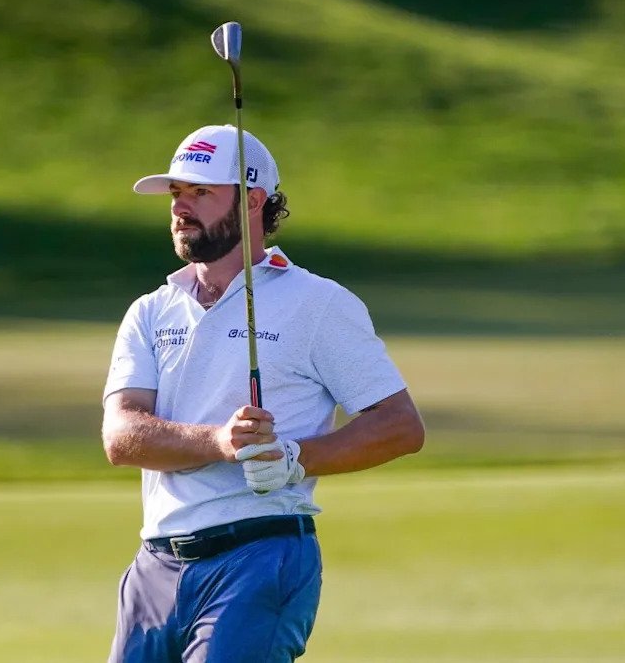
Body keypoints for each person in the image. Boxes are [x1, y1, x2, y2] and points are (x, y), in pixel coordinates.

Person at [101, 124, 425, 662]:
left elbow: (399, 426)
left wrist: (296, 459)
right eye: (176, 192)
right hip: (155, 565)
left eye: (200, 191)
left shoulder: (318, 303)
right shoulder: (151, 310)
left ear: (253, 200)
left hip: (260, 555)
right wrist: (219, 442)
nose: (181, 207)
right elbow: (120, 436)